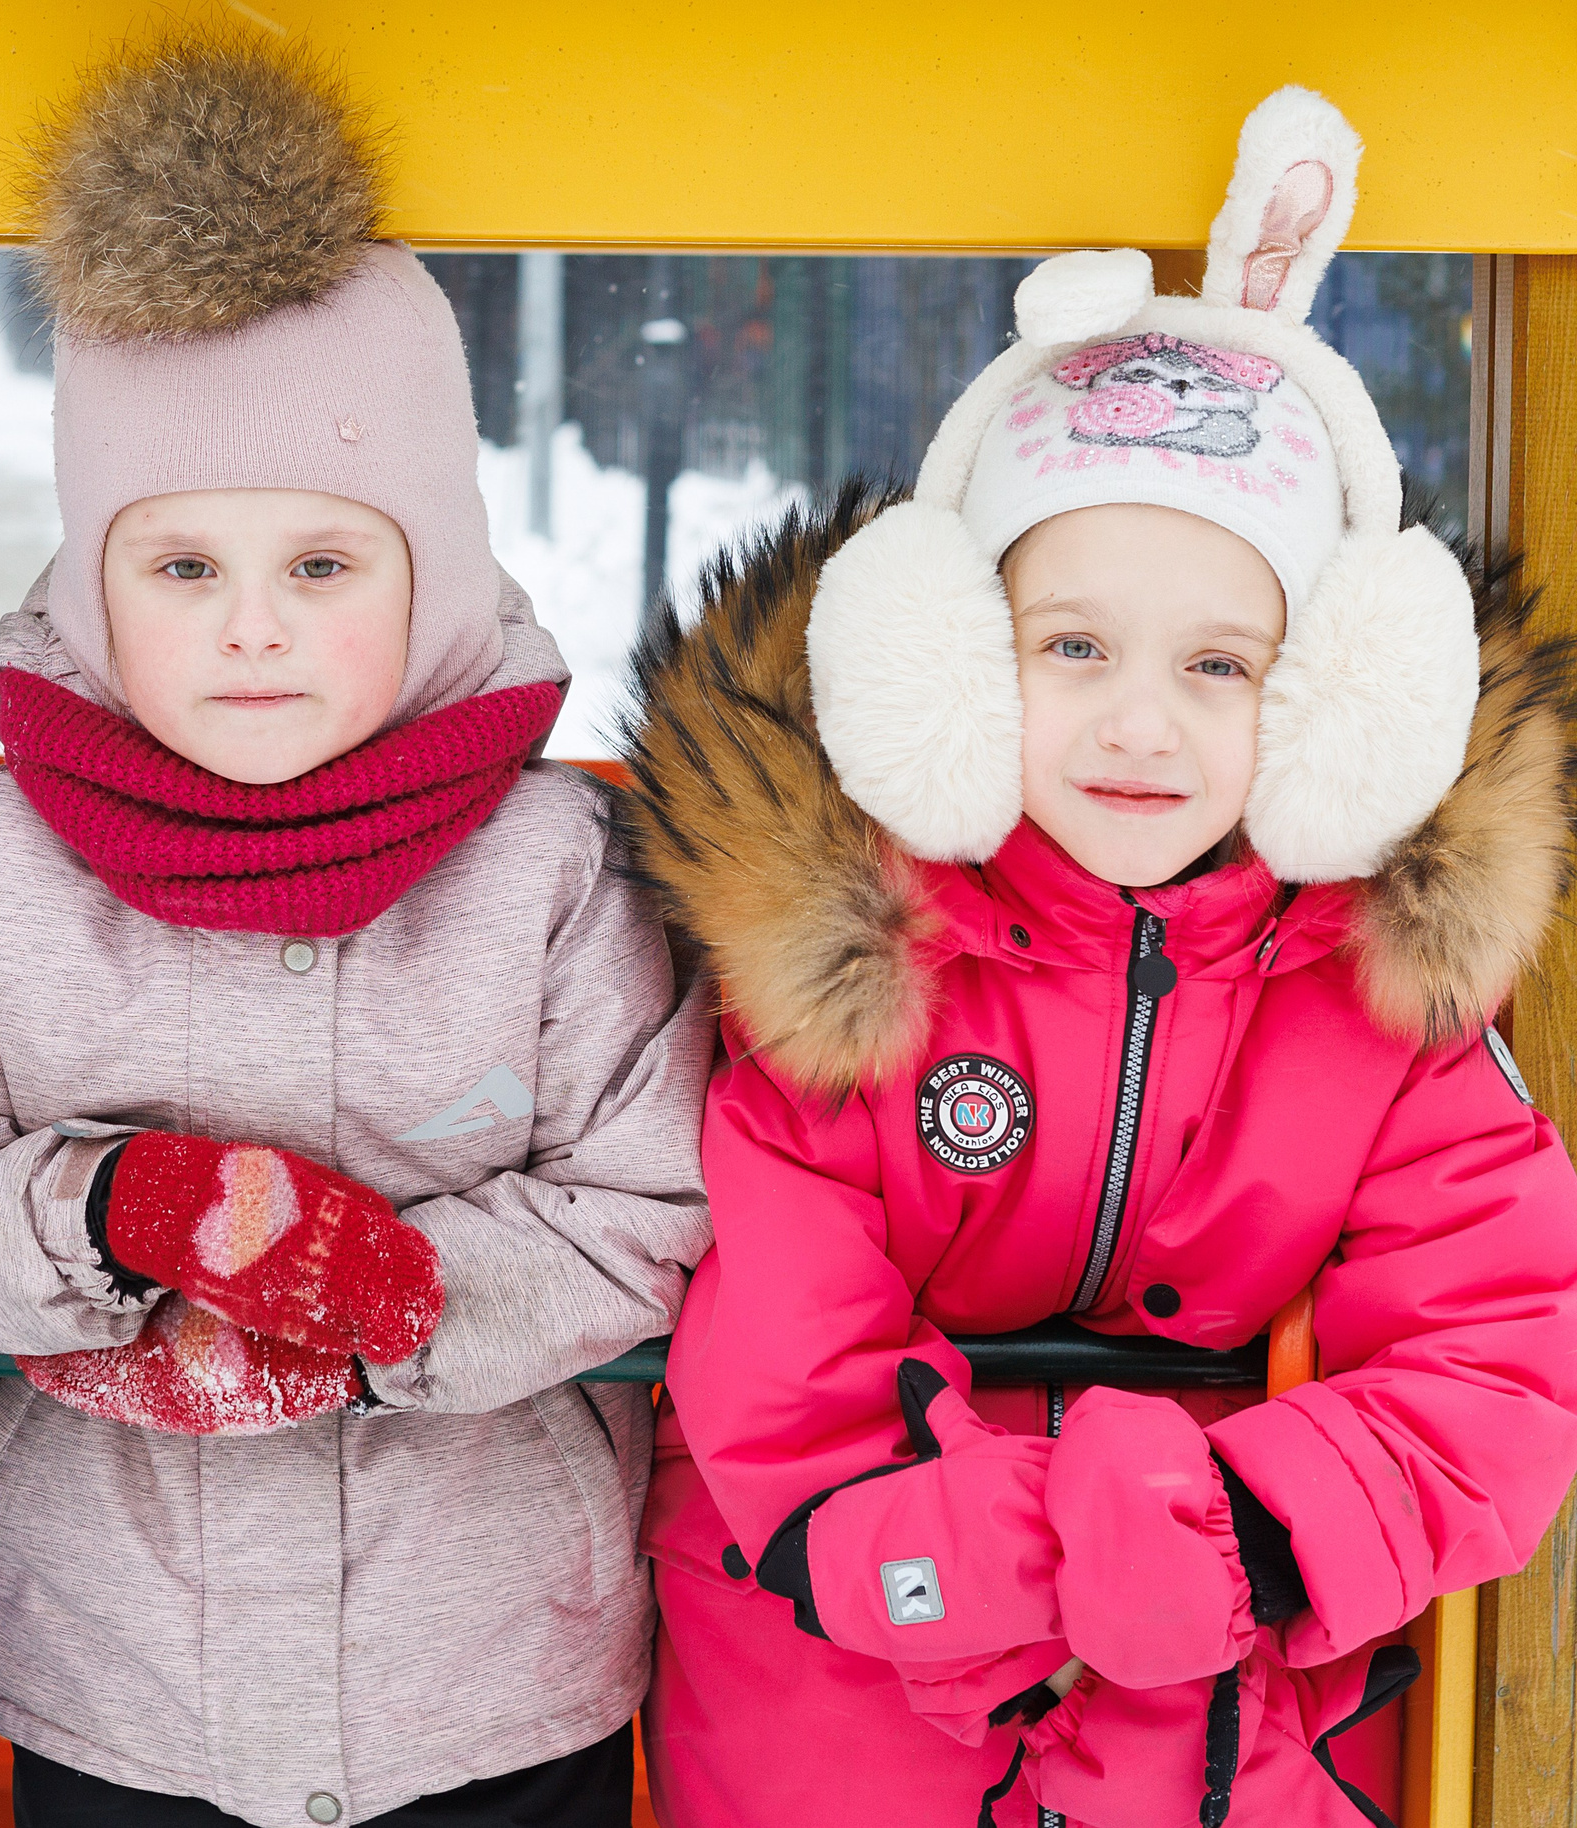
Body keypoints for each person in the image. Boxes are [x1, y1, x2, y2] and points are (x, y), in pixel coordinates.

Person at [625, 87, 1577, 1827]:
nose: (1142, 723)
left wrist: (1244, 1541)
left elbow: (1494, 1359)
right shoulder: (844, 967)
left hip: (1241, 1677)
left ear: (1324, 712)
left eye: (1221, 666)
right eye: (1072, 646)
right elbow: (779, 1365)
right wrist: (1019, 1551)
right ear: (957, 675)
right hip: (844, 1671)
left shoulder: (1387, 997)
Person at [0, 37, 713, 1828]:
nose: (252, 629)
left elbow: (650, 1209)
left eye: (323, 567)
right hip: (115, 1680)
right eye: (183, 570)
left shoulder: (555, 868)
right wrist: (105, 1212)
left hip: (486, 1670)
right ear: (95, 582)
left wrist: (398, 1307)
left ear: (436, 573)